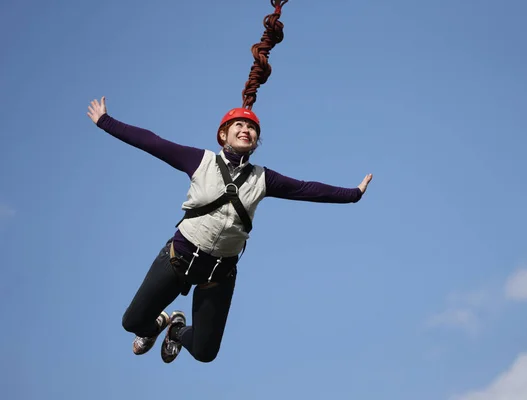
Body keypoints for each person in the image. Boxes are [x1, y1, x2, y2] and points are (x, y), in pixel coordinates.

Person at [86, 96, 373, 363]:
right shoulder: (200, 161)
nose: (246, 129)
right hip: (177, 259)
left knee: (204, 352)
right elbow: (153, 143)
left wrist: (353, 194)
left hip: (218, 274)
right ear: (223, 134)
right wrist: (105, 122)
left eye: (252, 127)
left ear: (257, 141)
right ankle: (156, 326)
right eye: (239, 124)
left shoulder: (264, 179)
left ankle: (176, 331)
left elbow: (305, 189)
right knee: (132, 323)